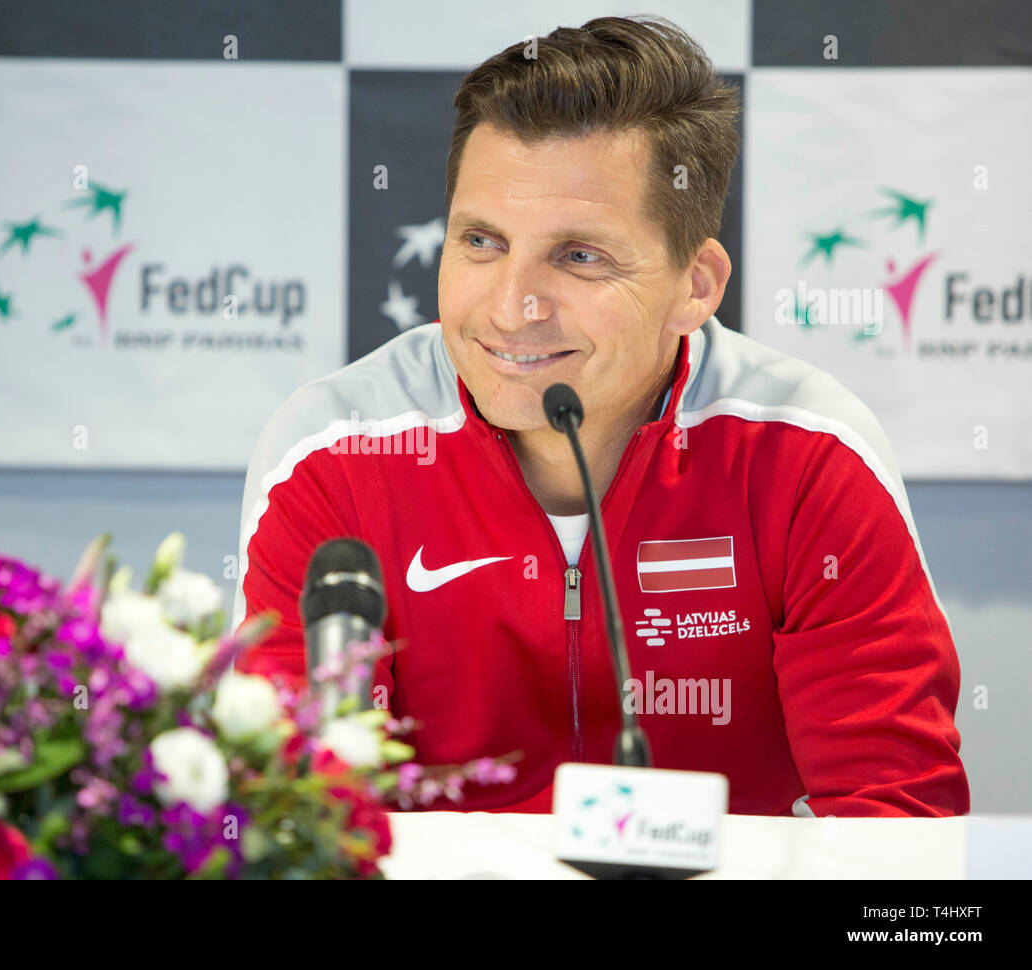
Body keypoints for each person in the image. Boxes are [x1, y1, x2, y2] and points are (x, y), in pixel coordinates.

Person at [232, 16, 968, 817]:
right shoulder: (332, 460)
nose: (513, 307)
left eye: (580, 256)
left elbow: (898, 826)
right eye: (481, 241)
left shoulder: (806, 460)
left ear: (696, 284)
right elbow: (297, 818)